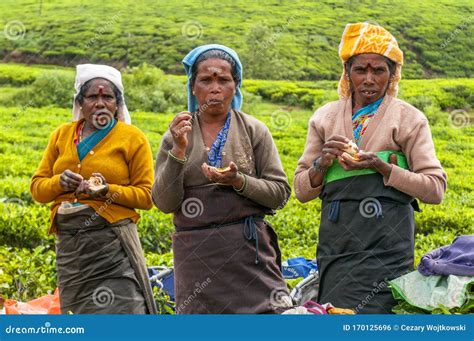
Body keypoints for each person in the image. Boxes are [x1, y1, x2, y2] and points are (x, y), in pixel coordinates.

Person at [294, 23, 447, 313]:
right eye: (360, 69)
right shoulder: (324, 118)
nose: (369, 79)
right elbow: (301, 190)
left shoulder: (408, 119)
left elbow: (435, 189)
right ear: (347, 72)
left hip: (388, 246)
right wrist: (321, 164)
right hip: (337, 245)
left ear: (391, 75)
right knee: (335, 312)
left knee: (381, 316)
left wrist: (385, 170)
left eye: (379, 70)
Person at [152, 44, 291, 314]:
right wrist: (179, 151)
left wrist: (239, 181)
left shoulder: (254, 131)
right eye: (205, 80)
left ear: (235, 86)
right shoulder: (176, 134)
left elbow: (280, 193)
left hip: (249, 255)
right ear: (193, 87)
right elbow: (165, 202)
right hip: (196, 259)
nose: (215, 88)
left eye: (223, 80)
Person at [30, 64, 157, 314]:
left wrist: (107, 190)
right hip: (72, 250)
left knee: (124, 312)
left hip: (113, 246)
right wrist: (58, 182)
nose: (100, 103)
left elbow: (146, 196)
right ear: (80, 101)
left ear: (117, 103)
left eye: (107, 97)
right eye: (92, 96)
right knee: (80, 317)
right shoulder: (61, 135)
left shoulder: (133, 138)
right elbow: (37, 189)